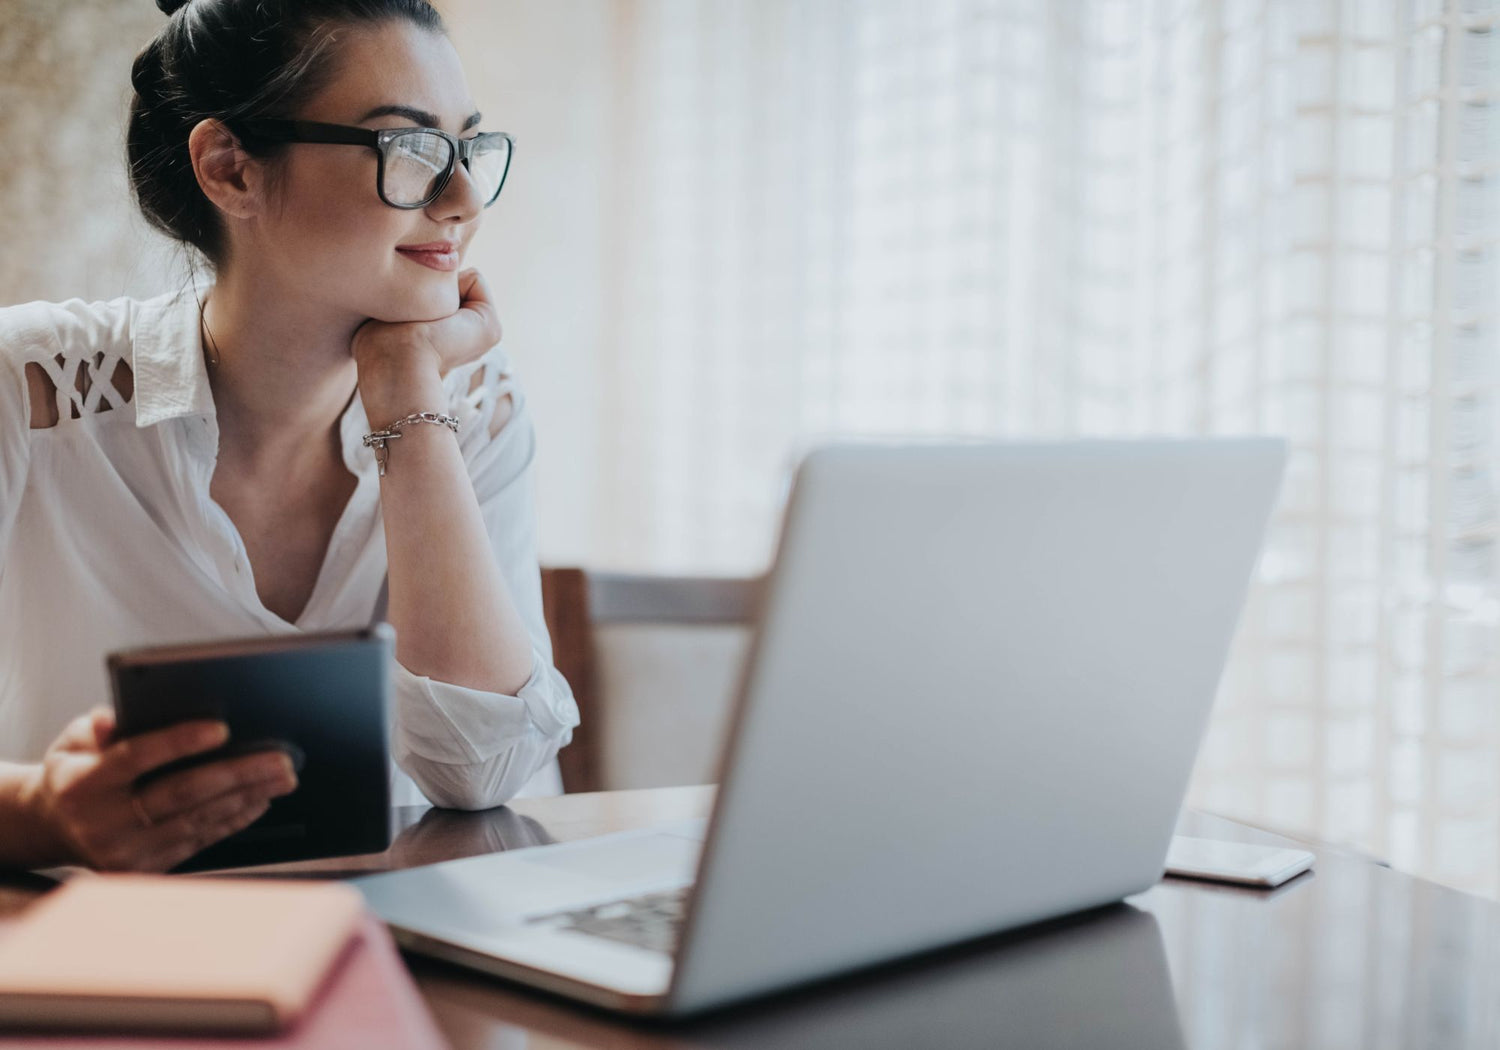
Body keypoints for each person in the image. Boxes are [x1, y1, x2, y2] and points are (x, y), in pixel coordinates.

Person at [0, 0, 579, 873]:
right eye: (409, 149)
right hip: (106, 962)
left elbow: (483, 770)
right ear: (230, 169)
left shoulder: (475, 402)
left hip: (430, 955)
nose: (462, 200)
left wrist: (406, 397)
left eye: (466, 147)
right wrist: (41, 812)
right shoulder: (29, 391)